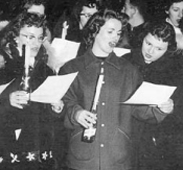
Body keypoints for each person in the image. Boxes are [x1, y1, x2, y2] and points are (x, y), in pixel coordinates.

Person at [60, 9, 174, 170]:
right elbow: (63, 102)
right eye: (110, 31)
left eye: (118, 33)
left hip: (117, 157)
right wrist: (76, 112)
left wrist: (162, 109)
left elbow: (139, 109)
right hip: (82, 156)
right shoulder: (71, 67)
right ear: (95, 30)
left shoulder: (129, 71)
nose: (115, 37)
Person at [0, 12, 64, 170]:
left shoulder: (46, 71)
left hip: (41, 155)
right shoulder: (3, 70)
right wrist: (6, 101)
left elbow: (54, 123)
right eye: (29, 36)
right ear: (15, 37)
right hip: (10, 155)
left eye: (39, 37)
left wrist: (57, 109)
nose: (35, 42)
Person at [123, 20, 182, 170]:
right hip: (124, 132)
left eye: (159, 49)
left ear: (169, 49)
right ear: (142, 38)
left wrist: (170, 108)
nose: (150, 52)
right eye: (148, 43)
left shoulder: (175, 71)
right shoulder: (125, 61)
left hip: (154, 139)